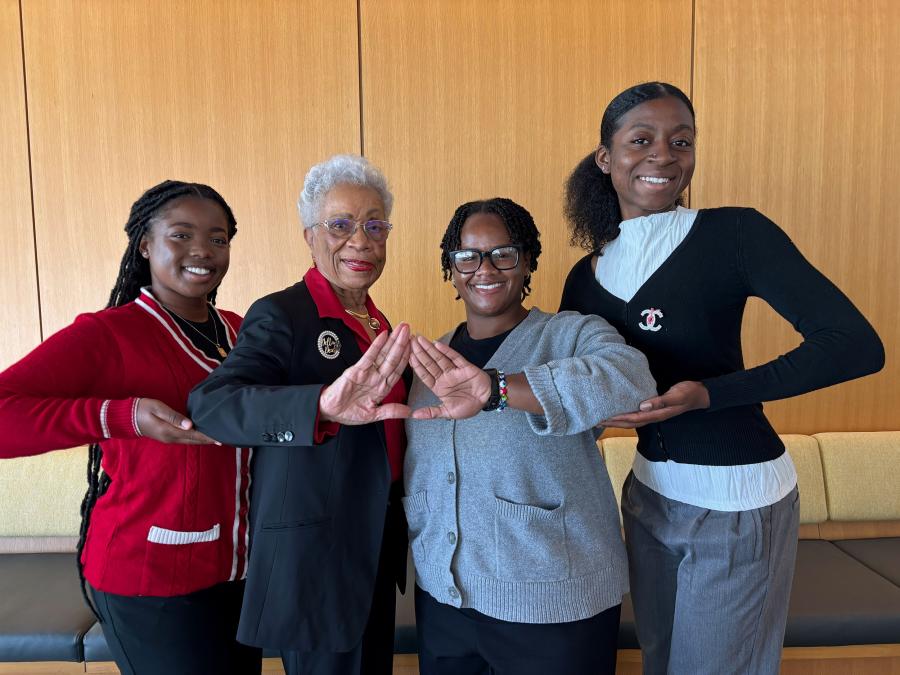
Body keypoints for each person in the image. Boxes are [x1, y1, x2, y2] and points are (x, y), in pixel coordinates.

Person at [559, 81, 885, 674]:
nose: (663, 154)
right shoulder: (584, 277)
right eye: (641, 139)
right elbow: (579, 387)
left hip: (738, 498)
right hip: (648, 493)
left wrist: (711, 394)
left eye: (681, 141)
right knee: (659, 661)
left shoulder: (735, 233)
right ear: (606, 158)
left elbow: (855, 347)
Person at [0, 180, 262, 674]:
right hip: (150, 580)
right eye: (180, 235)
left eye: (218, 238)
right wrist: (120, 416)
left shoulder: (240, 329)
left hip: (238, 573)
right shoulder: (108, 335)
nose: (202, 251)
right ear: (145, 243)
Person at [402, 198, 657, 675]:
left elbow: (632, 378)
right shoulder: (428, 363)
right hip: (444, 601)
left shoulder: (569, 335)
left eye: (503, 254)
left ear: (527, 263)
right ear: (451, 271)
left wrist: (498, 389)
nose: (485, 269)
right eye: (468, 256)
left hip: (554, 606)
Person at [188, 154, 411, 675]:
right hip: (317, 554)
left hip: (374, 539)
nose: (361, 240)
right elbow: (213, 404)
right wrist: (319, 406)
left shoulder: (376, 319)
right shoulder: (282, 314)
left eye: (375, 225)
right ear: (310, 235)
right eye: (341, 225)